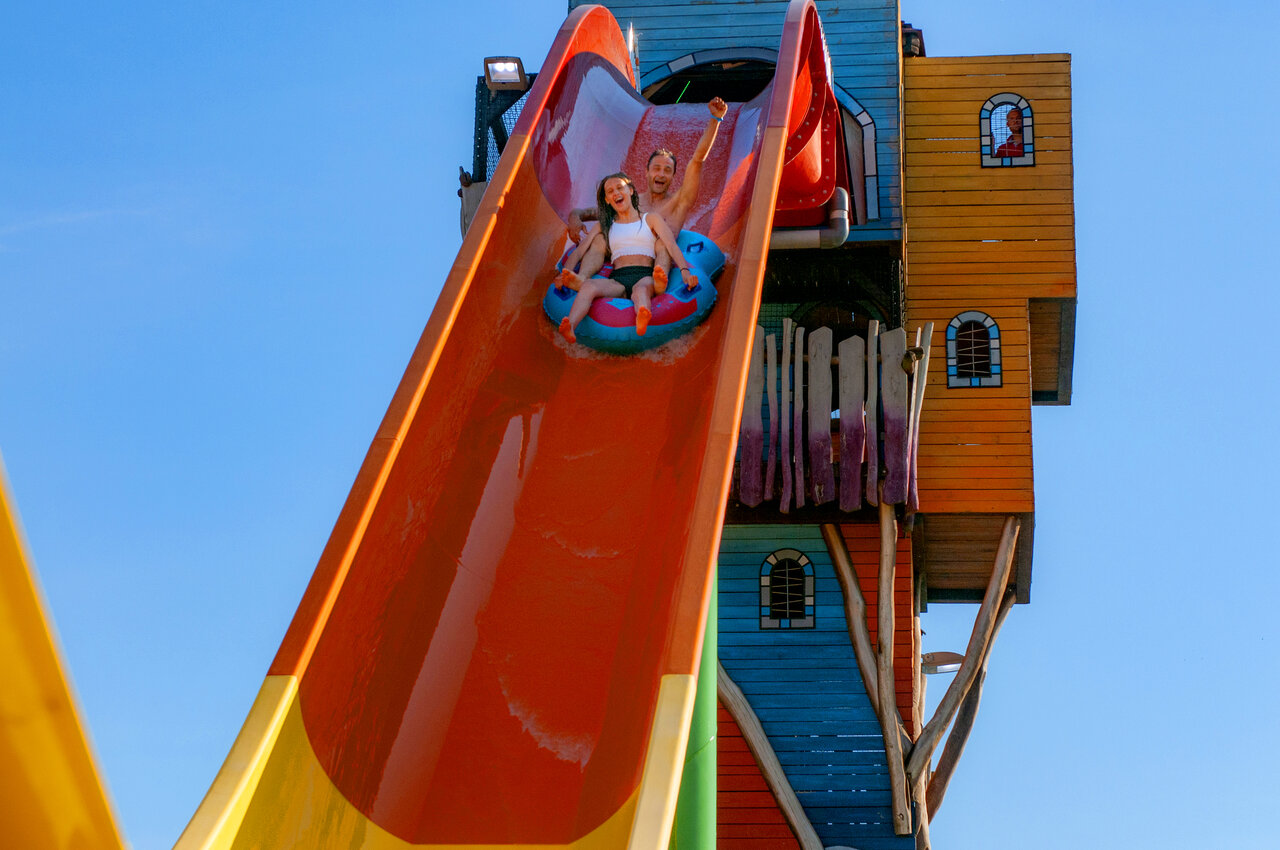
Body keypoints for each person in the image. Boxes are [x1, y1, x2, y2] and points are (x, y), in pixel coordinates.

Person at [559, 97, 729, 291]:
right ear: (647, 172)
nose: (661, 174)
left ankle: (659, 282)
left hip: (651, 263)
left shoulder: (679, 203)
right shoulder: (631, 202)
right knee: (599, 239)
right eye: (656, 168)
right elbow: (587, 212)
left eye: (667, 170)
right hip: (623, 261)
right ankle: (580, 278)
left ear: (673, 177)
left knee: (662, 244)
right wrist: (575, 217)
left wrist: (716, 120)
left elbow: (697, 160)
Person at [557, 173, 696, 344]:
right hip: (618, 278)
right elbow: (579, 251)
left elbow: (671, 246)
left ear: (630, 190)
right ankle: (570, 325)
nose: (616, 192)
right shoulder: (605, 225)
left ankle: (642, 316)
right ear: (607, 200)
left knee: (641, 290)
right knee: (589, 286)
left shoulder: (650, 218)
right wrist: (564, 274)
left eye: (619, 187)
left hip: (644, 273)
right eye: (610, 191)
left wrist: (685, 271)